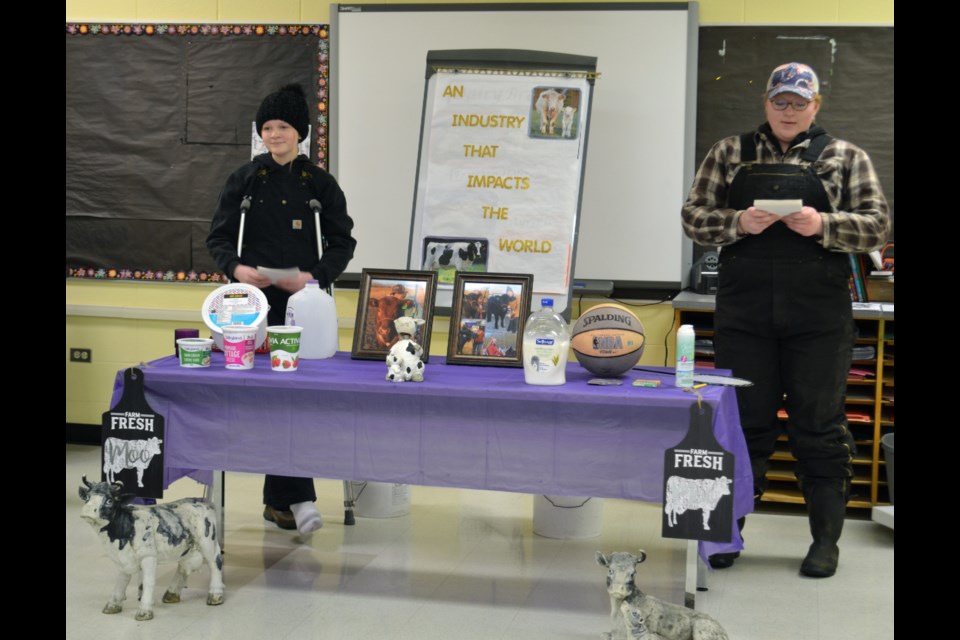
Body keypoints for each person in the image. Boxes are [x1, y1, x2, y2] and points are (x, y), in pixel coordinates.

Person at [681, 63, 889, 578]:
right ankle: (726, 534)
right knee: (743, 424)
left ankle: (824, 543)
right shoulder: (729, 153)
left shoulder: (846, 157)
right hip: (745, 311)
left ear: (817, 104)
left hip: (818, 314)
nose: (789, 110)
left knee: (817, 427)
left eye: (799, 102)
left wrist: (824, 224)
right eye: (780, 101)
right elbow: (692, 216)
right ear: (767, 103)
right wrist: (737, 222)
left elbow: (877, 225)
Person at [207, 83, 357, 536]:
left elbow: (342, 242)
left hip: (305, 303)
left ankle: (287, 499)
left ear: (301, 133)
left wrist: (311, 278)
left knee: (297, 397)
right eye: (268, 127)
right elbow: (217, 238)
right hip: (251, 306)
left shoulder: (319, 184)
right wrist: (236, 268)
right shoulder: (245, 180)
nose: (275, 134)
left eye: (284, 127)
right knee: (272, 400)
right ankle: (291, 499)